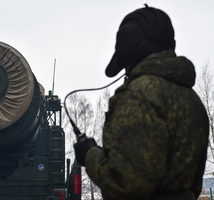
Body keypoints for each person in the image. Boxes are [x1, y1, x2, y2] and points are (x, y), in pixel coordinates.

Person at [73, 5, 209, 200]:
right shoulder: (191, 98)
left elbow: (128, 183)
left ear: (127, 46)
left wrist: (90, 154)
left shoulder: (139, 94)